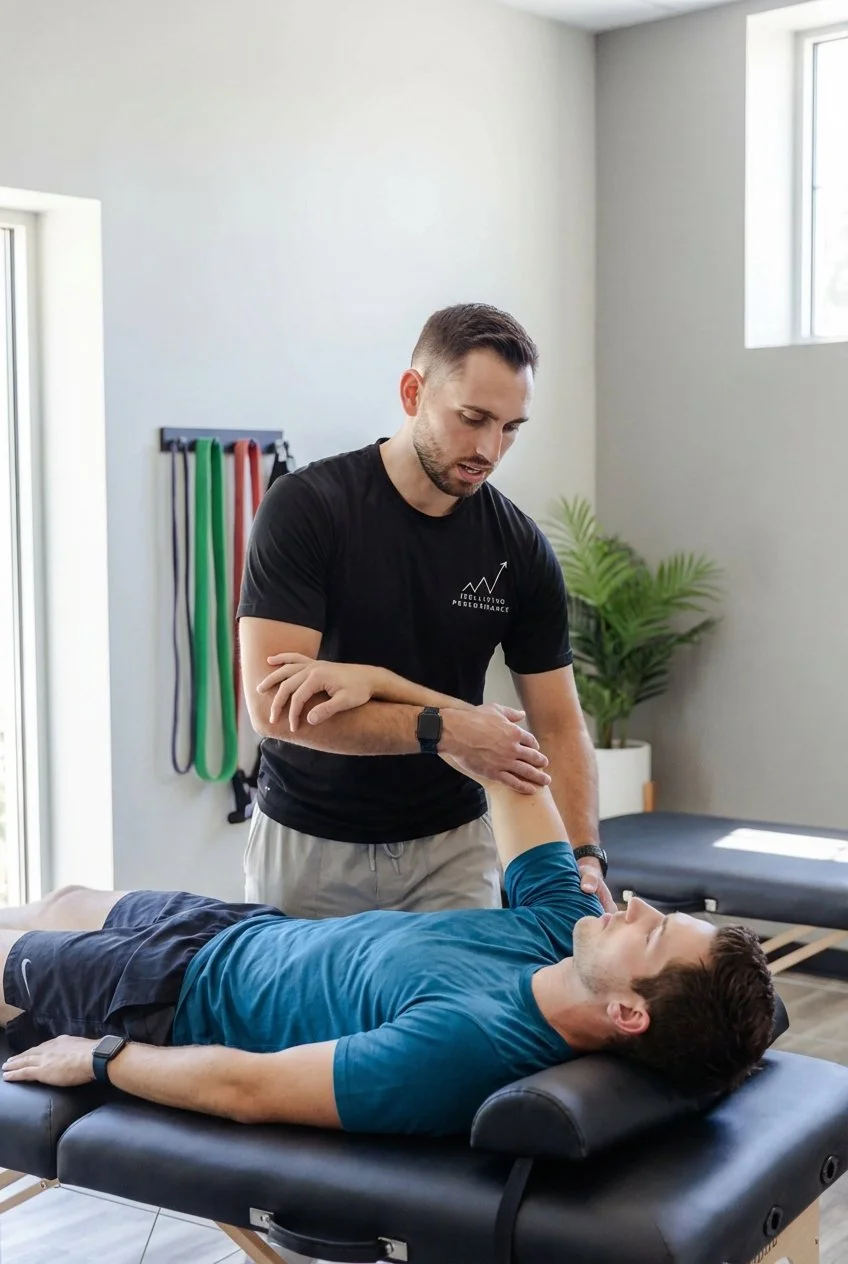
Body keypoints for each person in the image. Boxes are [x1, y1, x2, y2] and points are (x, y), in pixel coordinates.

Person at [0, 675, 775, 1137]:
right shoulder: (558, 931)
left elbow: (248, 1091)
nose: (633, 904)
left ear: (630, 1015)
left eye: (654, 931)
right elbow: (504, 759)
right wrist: (373, 682)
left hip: (172, 999)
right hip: (239, 933)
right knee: (64, 898)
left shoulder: (469, 1046)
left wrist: (102, 1057)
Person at [237, 301, 615, 918]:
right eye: (473, 418)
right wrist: (445, 729)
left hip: (454, 849)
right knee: (313, 1020)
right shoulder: (309, 508)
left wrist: (585, 856)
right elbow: (275, 710)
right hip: (309, 846)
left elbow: (560, 724)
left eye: (512, 427)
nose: (491, 449)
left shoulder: (518, 549)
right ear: (414, 392)